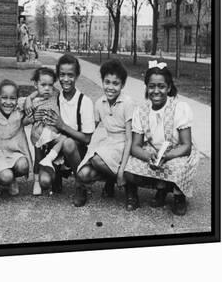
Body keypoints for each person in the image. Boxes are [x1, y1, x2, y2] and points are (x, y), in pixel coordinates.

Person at [123, 61, 199, 216]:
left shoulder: (179, 108)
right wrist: (147, 156)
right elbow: (135, 145)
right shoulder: (141, 111)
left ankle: (179, 196)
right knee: (128, 167)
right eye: (151, 86)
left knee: (178, 166)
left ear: (169, 88)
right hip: (153, 150)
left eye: (161, 86)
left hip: (176, 151)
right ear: (147, 87)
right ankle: (155, 189)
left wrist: (167, 156)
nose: (156, 91)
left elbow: (186, 146)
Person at [27, 54, 95, 196]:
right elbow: (39, 91)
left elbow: (87, 139)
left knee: (68, 143)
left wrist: (62, 125)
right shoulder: (55, 95)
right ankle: (55, 176)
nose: (66, 79)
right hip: (54, 149)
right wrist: (29, 99)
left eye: (70, 75)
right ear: (58, 76)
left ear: (77, 76)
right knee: (45, 182)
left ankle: (80, 184)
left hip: (75, 150)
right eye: (62, 75)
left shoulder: (84, 101)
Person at [74, 60, 135, 207]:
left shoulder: (127, 103)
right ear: (102, 81)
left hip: (124, 145)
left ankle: (128, 187)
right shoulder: (99, 102)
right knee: (83, 174)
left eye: (116, 83)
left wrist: (121, 171)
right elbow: (89, 130)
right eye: (107, 82)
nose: (111, 87)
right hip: (108, 144)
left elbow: (129, 139)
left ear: (122, 85)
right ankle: (110, 181)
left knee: (97, 160)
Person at [0, 80, 32, 196]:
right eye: (4, 98)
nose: (8, 102)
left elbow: (37, 97)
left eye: (12, 98)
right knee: (6, 177)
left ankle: (13, 179)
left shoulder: (19, 111)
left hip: (14, 152)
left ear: (17, 99)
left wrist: (29, 99)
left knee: (23, 165)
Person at [24, 67, 63, 196]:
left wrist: (30, 96)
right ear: (36, 84)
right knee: (38, 157)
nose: (47, 88)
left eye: (50, 85)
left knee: (59, 148)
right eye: (43, 85)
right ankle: (36, 181)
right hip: (39, 133)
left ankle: (56, 179)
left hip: (53, 132)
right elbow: (24, 121)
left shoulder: (55, 95)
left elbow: (58, 91)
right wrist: (30, 99)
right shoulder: (32, 102)